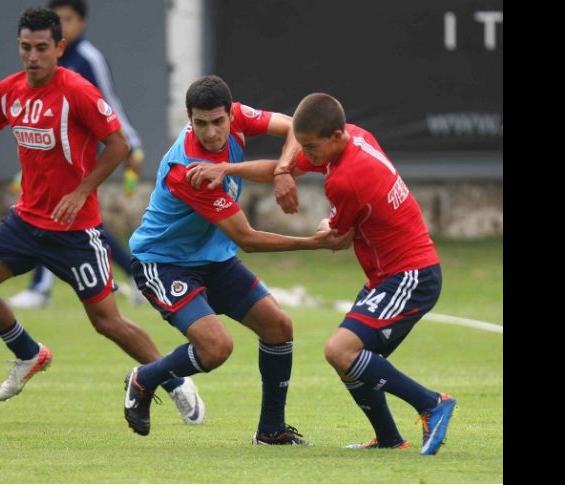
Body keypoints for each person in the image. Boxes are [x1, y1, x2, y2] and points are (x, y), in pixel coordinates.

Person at [0, 7, 205, 426]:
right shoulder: (9, 91)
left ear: (59, 47)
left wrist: (82, 190)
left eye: (42, 47)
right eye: (25, 47)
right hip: (25, 222)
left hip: (75, 231)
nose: (33, 56)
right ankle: (28, 353)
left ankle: (175, 380)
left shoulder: (77, 90)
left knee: (107, 322)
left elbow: (117, 145)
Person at [186, 92, 457, 455]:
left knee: (341, 351)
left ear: (335, 137)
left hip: (410, 276)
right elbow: (286, 165)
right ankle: (390, 440)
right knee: (351, 357)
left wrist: (322, 226)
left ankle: (432, 404)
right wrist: (231, 169)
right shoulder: (354, 137)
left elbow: (339, 240)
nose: (307, 157)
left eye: (312, 149)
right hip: (390, 275)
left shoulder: (346, 178)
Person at [122, 75, 353, 442]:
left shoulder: (240, 118)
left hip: (212, 258)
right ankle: (144, 378)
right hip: (163, 263)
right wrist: (316, 243)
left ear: (231, 114)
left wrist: (281, 171)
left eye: (218, 121)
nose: (212, 133)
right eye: (201, 123)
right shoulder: (190, 169)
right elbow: (248, 239)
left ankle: (271, 430)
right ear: (188, 117)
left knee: (279, 327)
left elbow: (295, 126)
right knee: (216, 348)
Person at [8, 0, 145, 310]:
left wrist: (132, 143)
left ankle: (40, 289)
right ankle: (139, 276)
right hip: (50, 156)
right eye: (57, 18)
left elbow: (110, 102)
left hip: (81, 156)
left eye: (68, 18)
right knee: (82, 224)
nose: (62, 24)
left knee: (54, 213)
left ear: (81, 23)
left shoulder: (88, 59)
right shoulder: (43, 61)